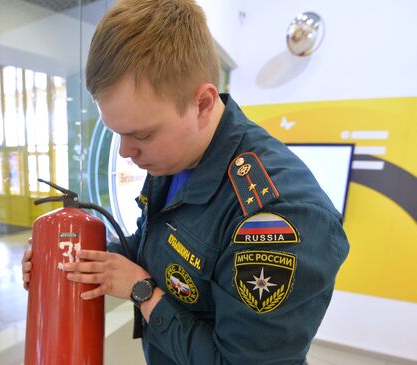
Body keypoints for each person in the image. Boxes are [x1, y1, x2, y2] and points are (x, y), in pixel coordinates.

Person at [22, 0, 349, 363]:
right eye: (118, 134)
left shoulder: (277, 216)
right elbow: (158, 245)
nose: (126, 152)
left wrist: (143, 292)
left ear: (203, 104)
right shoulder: (175, 158)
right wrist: (73, 260)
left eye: (141, 135)